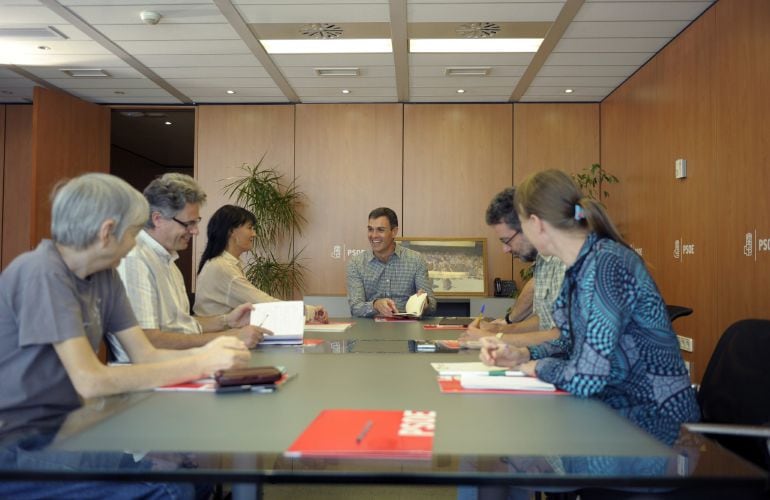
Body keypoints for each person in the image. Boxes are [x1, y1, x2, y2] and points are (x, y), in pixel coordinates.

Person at [0, 173, 248, 498]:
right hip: (18, 446)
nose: (135, 243)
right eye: (133, 232)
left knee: (191, 474)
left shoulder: (105, 276)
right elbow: (89, 380)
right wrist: (201, 363)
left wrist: (214, 356)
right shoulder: (40, 272)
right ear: (107, 232)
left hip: (65, 431)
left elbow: (144, 353)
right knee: (169, 490)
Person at [481, 169, 699, 445]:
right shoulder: (581, 267)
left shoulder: (606, 266)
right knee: (508, 446)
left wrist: (536, 367)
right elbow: (569, 342)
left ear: (536, 223)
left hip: (654, 433)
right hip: (613, 416)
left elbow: (587, 377)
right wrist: (522, 354)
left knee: (512, 447)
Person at [108, 173, 268, 363]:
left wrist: (227, 321)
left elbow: (181, 326)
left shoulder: (168, 261)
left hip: (177, 365)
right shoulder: (135, 259)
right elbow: (148, 341)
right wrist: (229, 337)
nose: (195, 231)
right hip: (151, 377)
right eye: (188, 223)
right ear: (158, 218)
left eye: (196, 222)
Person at [460, 187, 566, 347]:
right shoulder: (543, 260)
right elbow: (545, 321)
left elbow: (564, 338)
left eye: (507, 240)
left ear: (532, 225)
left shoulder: (566, 261)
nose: (506, 249)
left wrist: (495, 339)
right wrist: (498, 329)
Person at [194, 204, 329, 323]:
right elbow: (262, 303)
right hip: (220, 341)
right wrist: (309, 311)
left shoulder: (222, 263)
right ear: (231, 231)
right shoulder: (222, 267)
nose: (254, 234)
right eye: (250, 228)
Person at [346, 207, 436, 317]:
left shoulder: (416, 260)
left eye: (380, 230)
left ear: (394, 232)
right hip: (370, 331)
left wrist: (424, 302)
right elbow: (355, 308)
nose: (374, 235)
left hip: (408, 330)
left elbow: (432, 307)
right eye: (370, 229)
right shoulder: (356, 264)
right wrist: (375, 305)